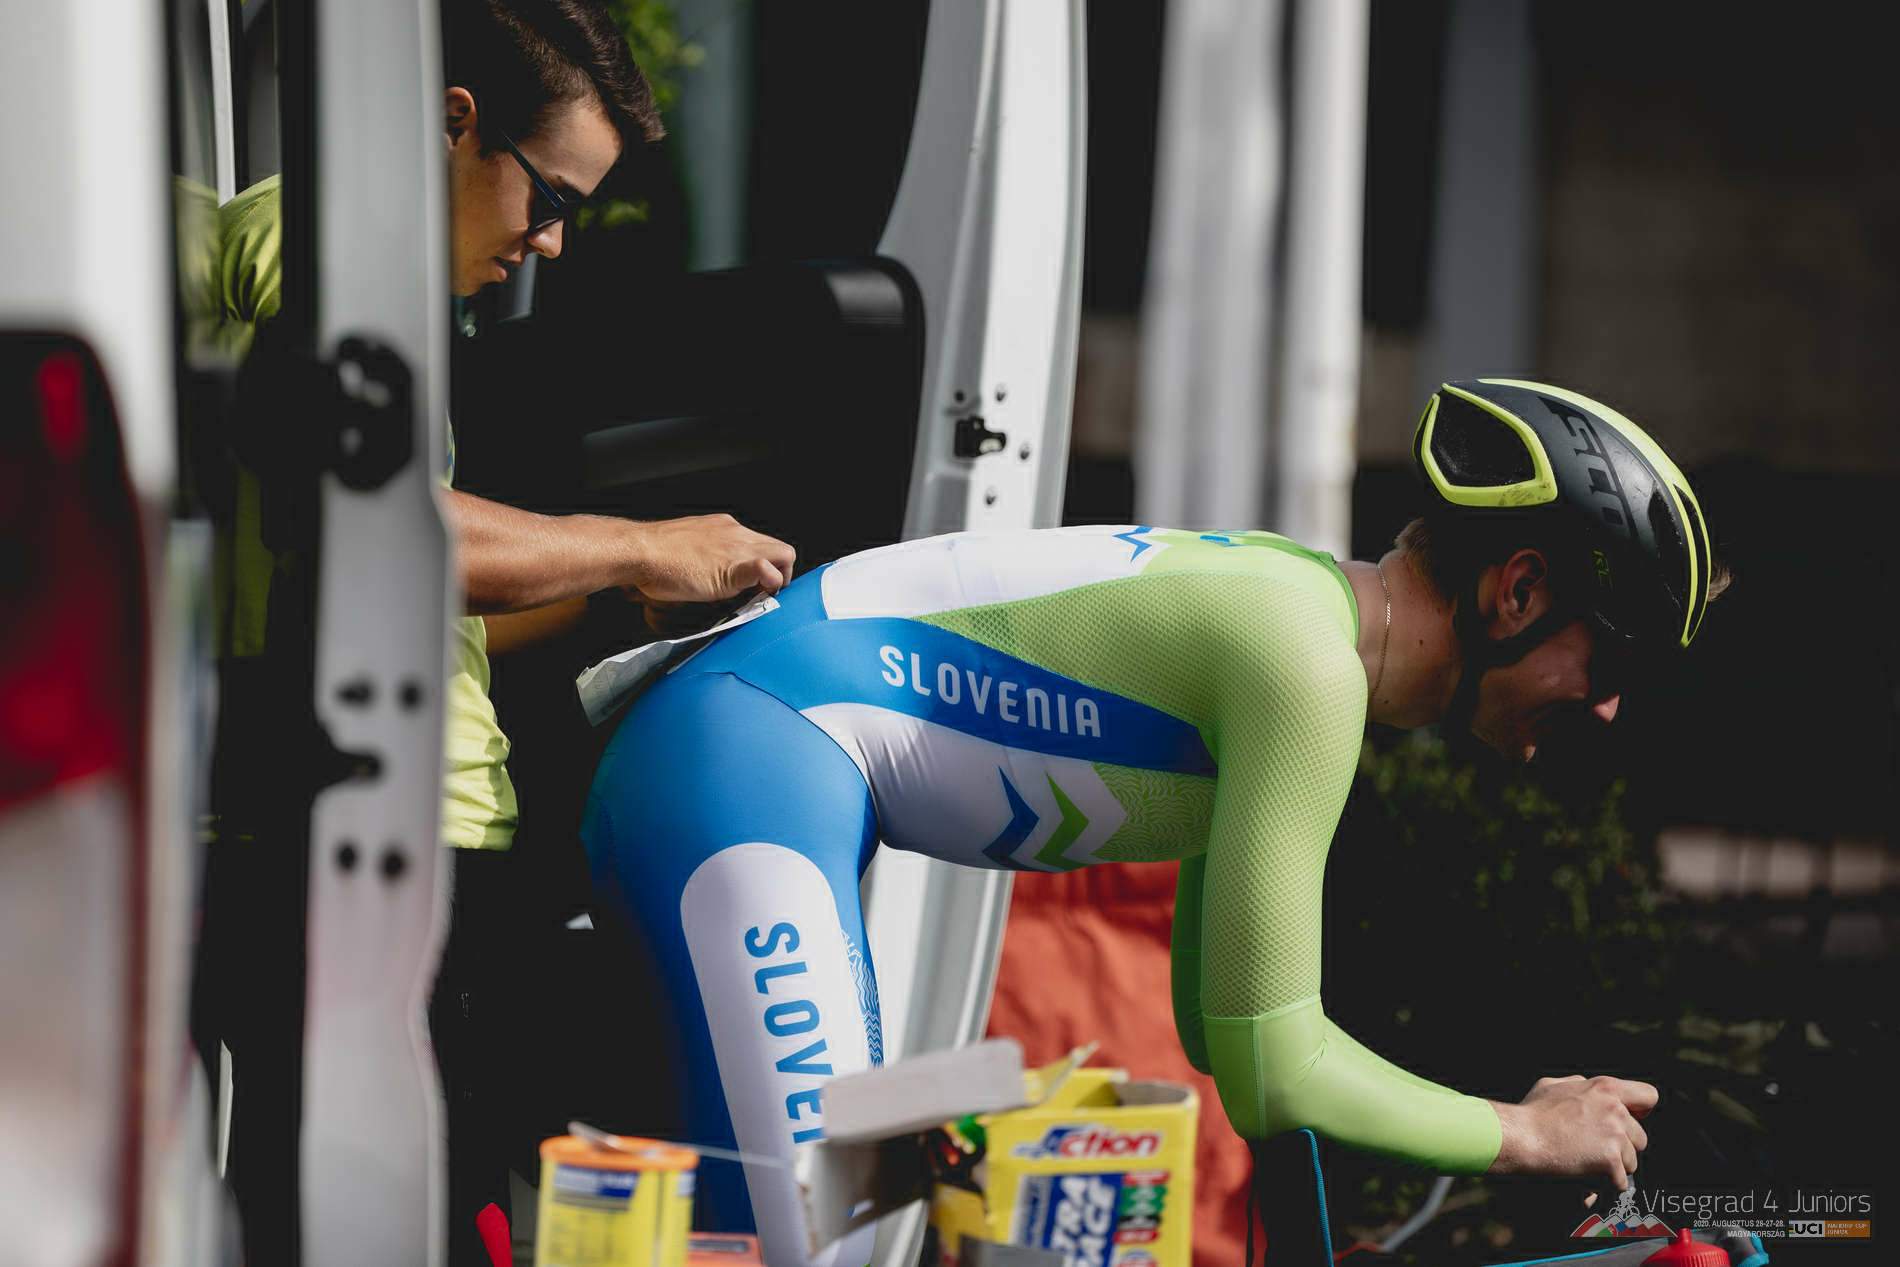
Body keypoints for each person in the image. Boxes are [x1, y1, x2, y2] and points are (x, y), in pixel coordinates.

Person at [581, 379, 1728, 1265]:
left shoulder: (1302, 614)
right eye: (1610, 661)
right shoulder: (1306, 669)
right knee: (814, 1234)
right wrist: (1522, 1132)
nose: (1609, 708)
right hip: (746, 763)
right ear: (1516, 592)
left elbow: (1223, 1033)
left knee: (793, 1199)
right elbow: (1279, 1069)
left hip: (739, 759)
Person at [188, 1, 793, 1261]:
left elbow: (401, 597)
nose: (548, 243)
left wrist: (610, 599)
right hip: (367, 832)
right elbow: (369, 523)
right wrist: (636, 544)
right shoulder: (325, 242)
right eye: (549, 198)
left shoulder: (378, 293)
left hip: (388, 820)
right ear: (456, 124)